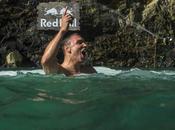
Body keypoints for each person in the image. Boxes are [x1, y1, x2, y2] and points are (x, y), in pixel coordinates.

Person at [41, 7, 96, 76]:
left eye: (84, 43)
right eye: (79, 42)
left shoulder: (89, 71)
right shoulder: (59, 71)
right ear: (68, 49)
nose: (85, 45)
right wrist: (62, 31)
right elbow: (46, 61)